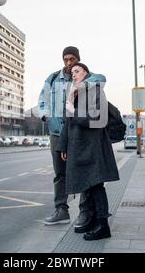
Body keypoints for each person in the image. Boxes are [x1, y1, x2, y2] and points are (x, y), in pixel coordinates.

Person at [38, 46, 106, 231]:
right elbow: (42, 101)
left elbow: (102, 79)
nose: (69, 63)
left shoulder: (85, 76)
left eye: (73, 60)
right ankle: (61, 210)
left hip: (78, 134)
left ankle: (84, 211)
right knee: (60, 174)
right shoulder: (52, 79)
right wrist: (46, 116)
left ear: (78, 59)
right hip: (57, 133)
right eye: (66, 59)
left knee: (83, 171)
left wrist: (81, 83)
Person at [56, 63, 119, 241]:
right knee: (88, 186)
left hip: (93, 147)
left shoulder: (95, 91)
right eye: (71, 73)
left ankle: (103, 225)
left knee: (96, 185)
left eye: (77, 71)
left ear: (86, 73)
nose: (73, 75)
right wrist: (63, 145)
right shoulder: (75, 94)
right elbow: (68, 124)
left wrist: (73, 111)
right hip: (79, 148)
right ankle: (93, 221)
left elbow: (98, 119)